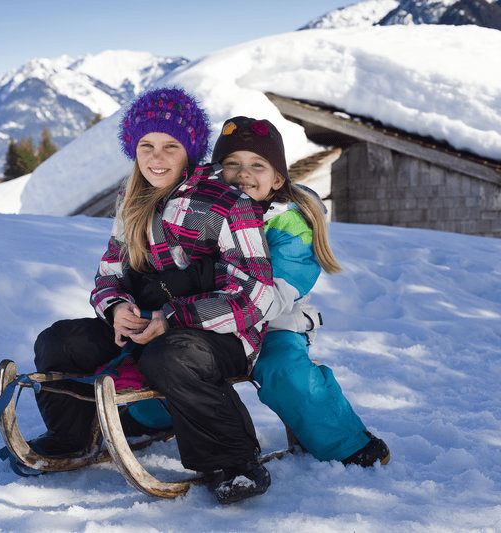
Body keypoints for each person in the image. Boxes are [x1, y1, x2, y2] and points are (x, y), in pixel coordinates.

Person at [30, 88, 276, 504]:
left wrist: (175, 318)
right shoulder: (130, 202)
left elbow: (256, 295)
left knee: (171, 355)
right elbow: (109, 273)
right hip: (145, 326)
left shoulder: (225, 205)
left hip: (218, 335)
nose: (156, 158)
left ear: (190, 151)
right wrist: (115, 308)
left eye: (170, 146)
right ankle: (71, 437)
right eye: (146, 145)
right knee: (58, 341)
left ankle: (233, 461)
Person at [140, 115, 388, 466]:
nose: (243, 173)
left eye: (258, 165)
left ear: (277, 180)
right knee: (164, 359)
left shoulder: (288, 225)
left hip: (273, 324)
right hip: (209, 320)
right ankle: (146, 419)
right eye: (231, 164)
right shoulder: (205, 216)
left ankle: (347, 444)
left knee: (282, 370)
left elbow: (273, 295)